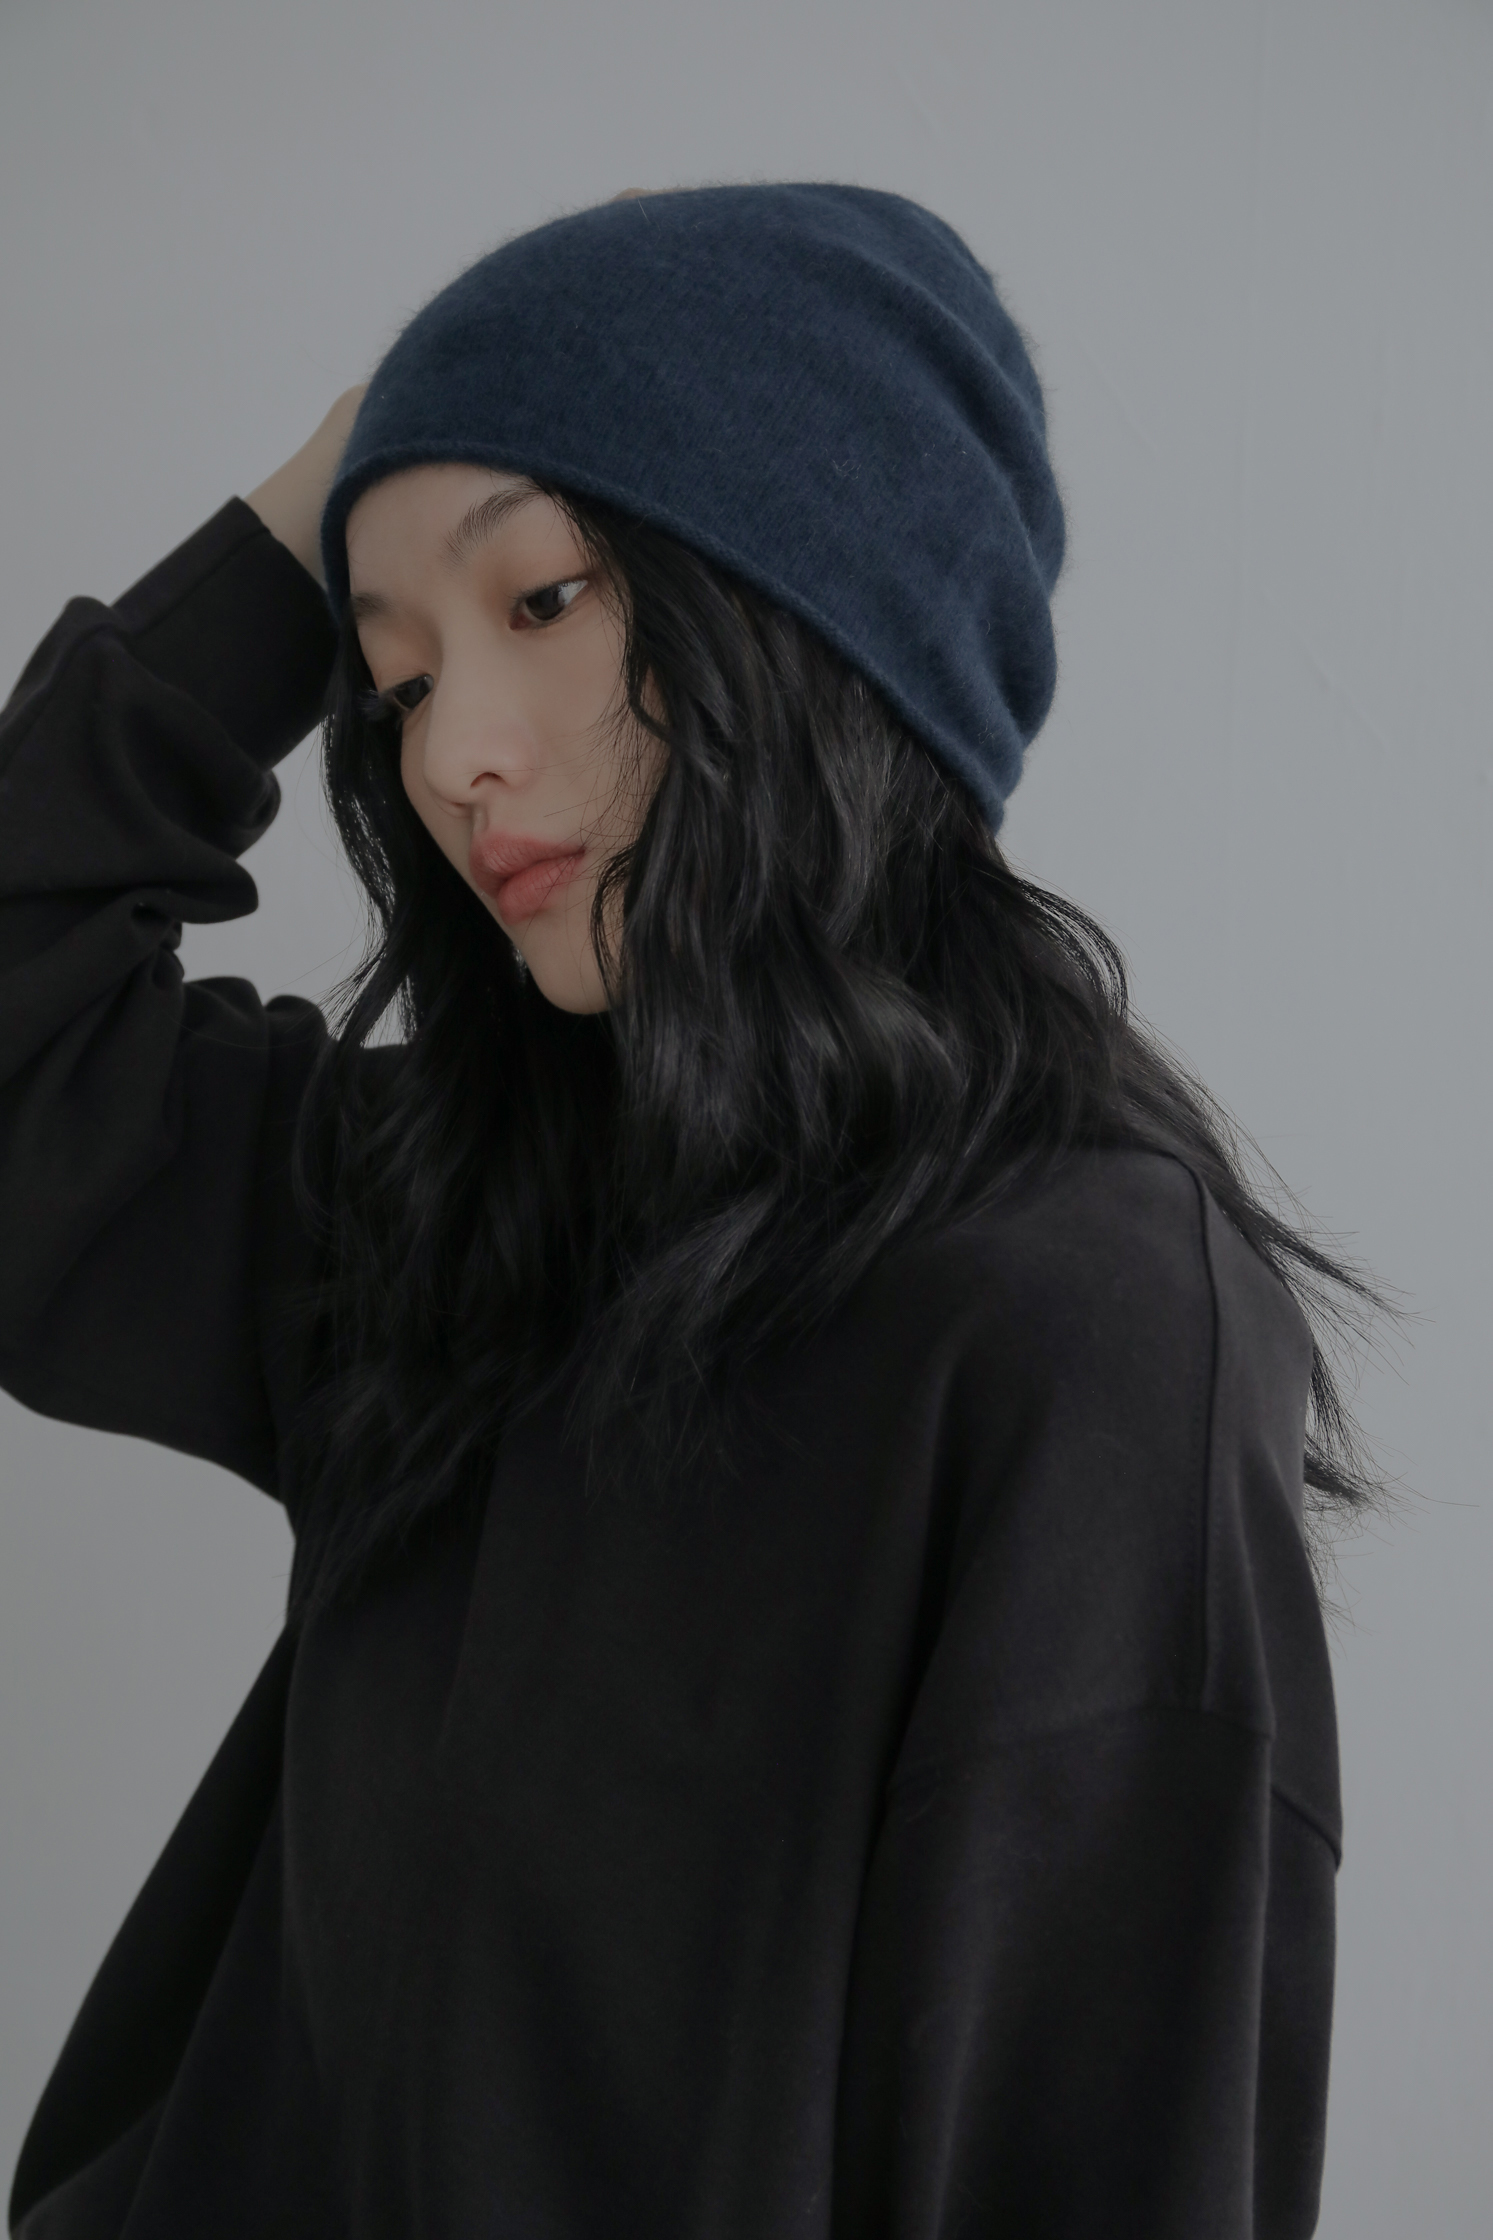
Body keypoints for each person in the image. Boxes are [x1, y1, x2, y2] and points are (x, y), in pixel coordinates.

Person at [0, 183, 1380, 2239]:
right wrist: (331, 504)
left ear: (818, 605)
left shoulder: (1085, 1332)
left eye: (545, 597)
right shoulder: (469, 1209)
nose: (454, 757)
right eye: (396, 676)